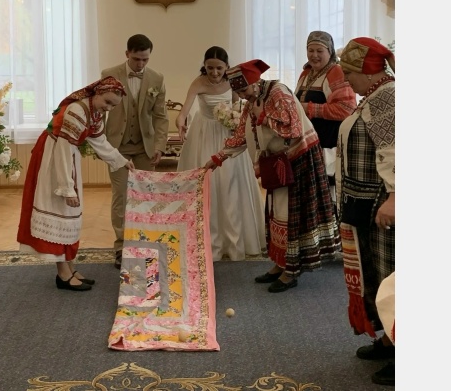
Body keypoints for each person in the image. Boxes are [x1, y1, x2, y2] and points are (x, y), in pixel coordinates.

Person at [204, 59, 340, 293]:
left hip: (300, 159)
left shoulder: (279, 92)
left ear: (255, 82)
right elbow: (241, 135)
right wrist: (218, 158)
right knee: (276, 214)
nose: (242, 96)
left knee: (289, 216)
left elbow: (293, 130)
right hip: (278, 162)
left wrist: (263, 117)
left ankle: (291, 270)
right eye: (238, 92)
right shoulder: (253, 100)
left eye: (243, 90)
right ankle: (280, 263)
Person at [16, 76, 135, 291]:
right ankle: (63, 274)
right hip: (54, 160)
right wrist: (66, 188)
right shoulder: (76, 111)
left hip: (67, 158)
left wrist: (121, 161)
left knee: (71, 214)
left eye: (113, 106)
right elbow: (63, 149)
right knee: (61, 210)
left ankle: (69, 267)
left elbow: (99, 141)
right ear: (97, 93)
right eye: (107, 102)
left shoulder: (94, 112)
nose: (108, 108)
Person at [333, 37, 395, 386]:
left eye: (350, 72)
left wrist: (395, 197)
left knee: (394, 277)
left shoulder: (388, 97)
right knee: (378, 275)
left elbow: (396, 149)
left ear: (369, 72)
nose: (346, 79)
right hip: (367, 205)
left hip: (384, 206)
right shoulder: (375, 96)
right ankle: (389, 339)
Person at [175, 46, 265, 261]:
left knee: (230, 184)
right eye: (210, 68)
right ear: (204, 66)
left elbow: (237, 107)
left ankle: (234, 242)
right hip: (204, 135)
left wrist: (235, 122)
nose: (214, 72)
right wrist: (180, 121)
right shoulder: (198, 82)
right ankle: (208, 240)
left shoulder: (232, 82)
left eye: (219, 68)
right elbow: (184, 110)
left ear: (226, 67)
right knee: (209, 184)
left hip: (227, 134)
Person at [101, 34, 170, 269]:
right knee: (121, 196)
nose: (141, 64)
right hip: (117, 147)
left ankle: (145, 244)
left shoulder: (157, 78)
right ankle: (121, 247)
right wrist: (101, 145)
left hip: (145, 147)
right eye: (137, 59)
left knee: (146, 196)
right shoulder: (109, 75)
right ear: (127, 54)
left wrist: (159, 146)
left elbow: (161, 116)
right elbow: (100, 111)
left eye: (145, 59)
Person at [294, 31, 357, 183]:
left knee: (326, 188)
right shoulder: (305, 73)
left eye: (319, 51)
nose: (314, 55)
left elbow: (346, 109)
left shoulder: (336, 72)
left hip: (328, 143)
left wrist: (308, 108)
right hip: (307, 143)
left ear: (330, 51)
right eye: (310, 50)